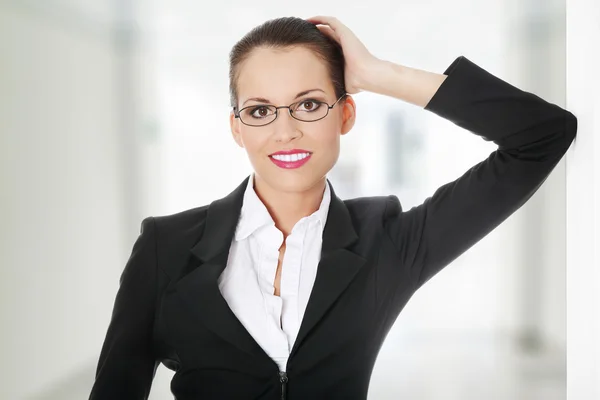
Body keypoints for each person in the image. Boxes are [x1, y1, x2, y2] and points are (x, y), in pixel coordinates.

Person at [89, 15, 577, 400]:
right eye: (260, 111)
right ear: (237, 128)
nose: (285, 131)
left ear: (345, 113)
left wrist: (380, 74)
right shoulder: (165, 248)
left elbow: (542, 135)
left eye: (308, 104)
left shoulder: (387, 243)